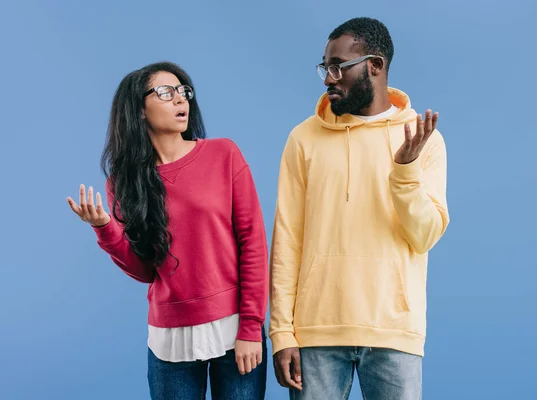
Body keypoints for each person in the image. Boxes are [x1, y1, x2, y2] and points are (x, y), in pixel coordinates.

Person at [269, 17, 450, 399]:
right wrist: (282, 331)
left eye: (338, 67)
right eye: (325, 67)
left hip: (393, 329)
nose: (328, 78)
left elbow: (424, 235)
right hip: (316, 331)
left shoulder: (422, 140)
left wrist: (404, 171)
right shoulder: (303, 139)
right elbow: (287, 239)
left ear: (376, 65)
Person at [66, 61, 268, 400]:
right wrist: (104, 228)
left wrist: (251, 327)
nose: (180, 100)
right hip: (170, 337)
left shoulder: (224, 154)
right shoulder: (124, 182)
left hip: (235, 329)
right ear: (139, 110)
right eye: (166, 92)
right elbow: (146, 270)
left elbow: (253, 243)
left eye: (183, 92)